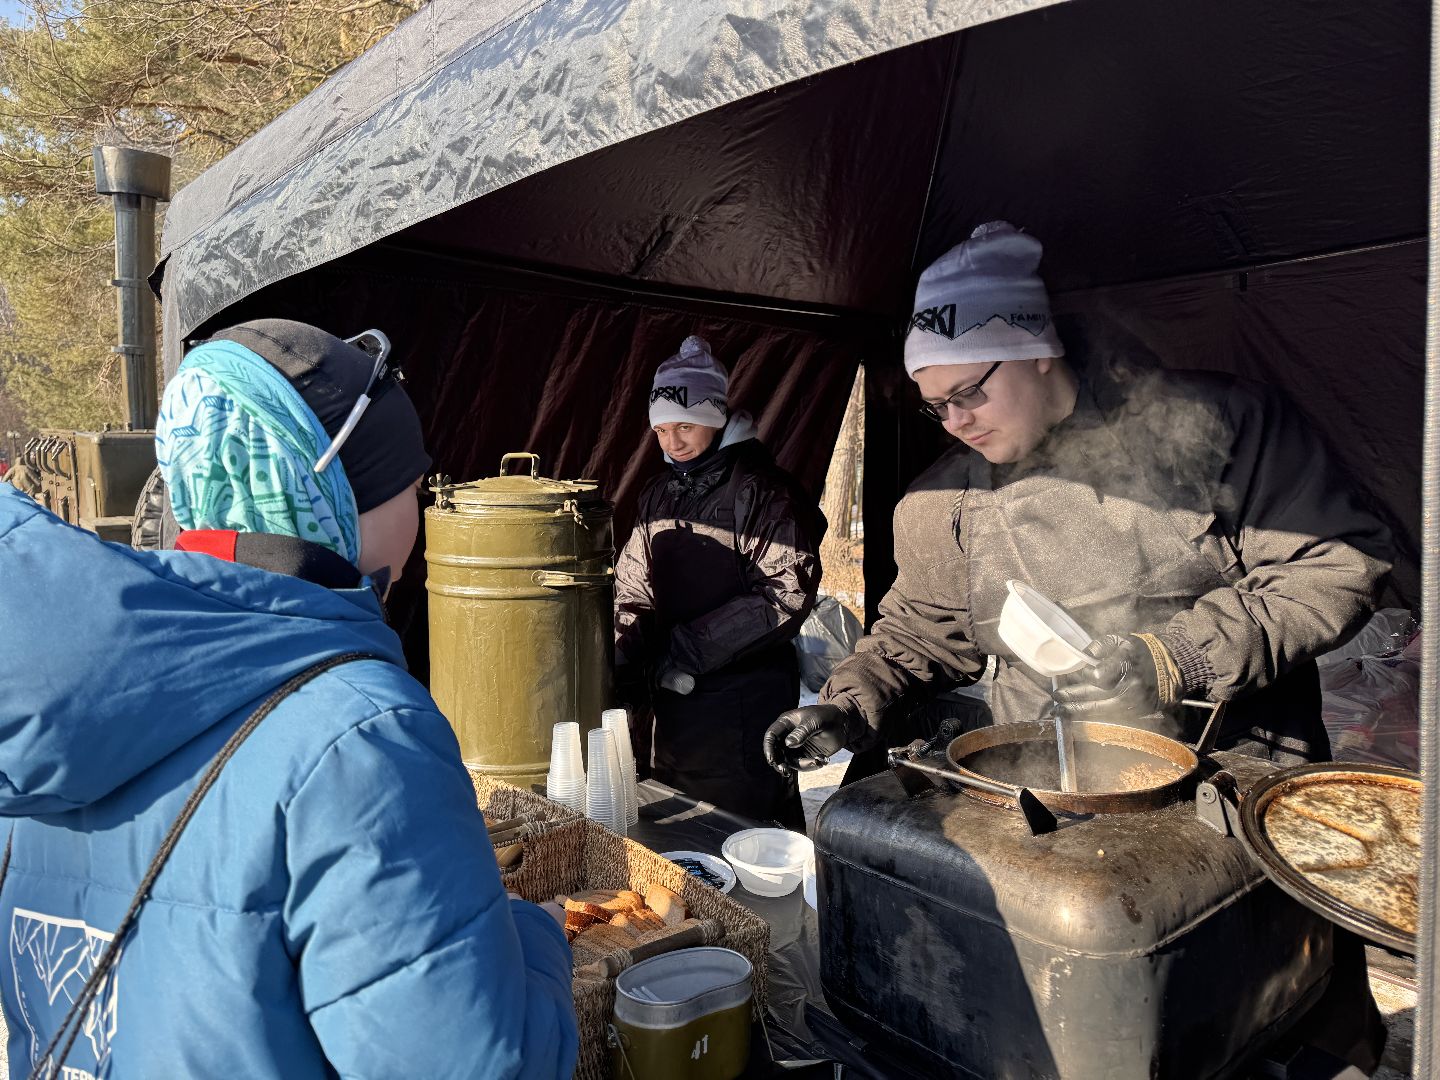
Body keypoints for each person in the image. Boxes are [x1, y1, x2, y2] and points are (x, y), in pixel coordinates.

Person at [763, 221, 1392, 1068]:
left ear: (1037, 351)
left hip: (1228, 785)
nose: (954, 422)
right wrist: (848, 701)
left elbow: (1334, 564)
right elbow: (918, 629)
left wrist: (1173, 657)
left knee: (1265, 1031)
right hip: (1045, 807)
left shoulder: (1216, 427)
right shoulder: (943, 501)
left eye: (970, 393)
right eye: (934, 404)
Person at [0, 319, 577, 1079]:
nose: (421, 508)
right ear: (339, 497)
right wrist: (534, 939)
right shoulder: (365, 733)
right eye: (412, 484)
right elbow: (479, 1063)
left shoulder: (58, 702)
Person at [614, 335, 825, 830]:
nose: (672, 442)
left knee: (740, 824)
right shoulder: (658, 492)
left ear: (715, 416)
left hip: (743, 700)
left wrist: (685, 650)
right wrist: (624, 665)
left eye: (684, 426)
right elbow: (633, 587)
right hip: (674, 695)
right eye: (661, 430)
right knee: (676, 817)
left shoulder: (763, 491)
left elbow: (784, 590)